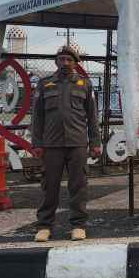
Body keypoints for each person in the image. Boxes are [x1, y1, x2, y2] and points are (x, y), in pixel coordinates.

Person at [31, 46, 102, 242]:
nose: (65, 63)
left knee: (78, 186)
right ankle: (44, 226)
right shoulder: (45, 84)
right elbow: (37, 116)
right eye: (61, 59)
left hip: (77, 143)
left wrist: (95, 142)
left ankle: (78, 225)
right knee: (49, 186)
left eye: (69, 60)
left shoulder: (84, 84)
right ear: (56, 62)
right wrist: (36, 143)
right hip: (51, 144)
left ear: (76, 63)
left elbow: (92, 116)